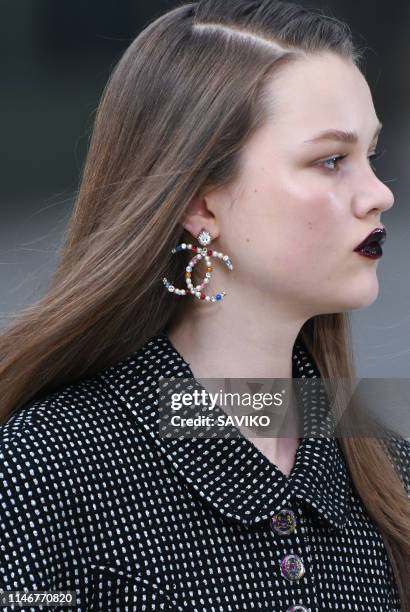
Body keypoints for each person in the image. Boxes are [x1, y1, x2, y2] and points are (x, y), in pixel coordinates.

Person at [0, 1, 409, 610]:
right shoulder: (46, 470)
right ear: (201, 202)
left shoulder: (387, 470)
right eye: (331, 160)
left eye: (370, 155)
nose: (379, 194)